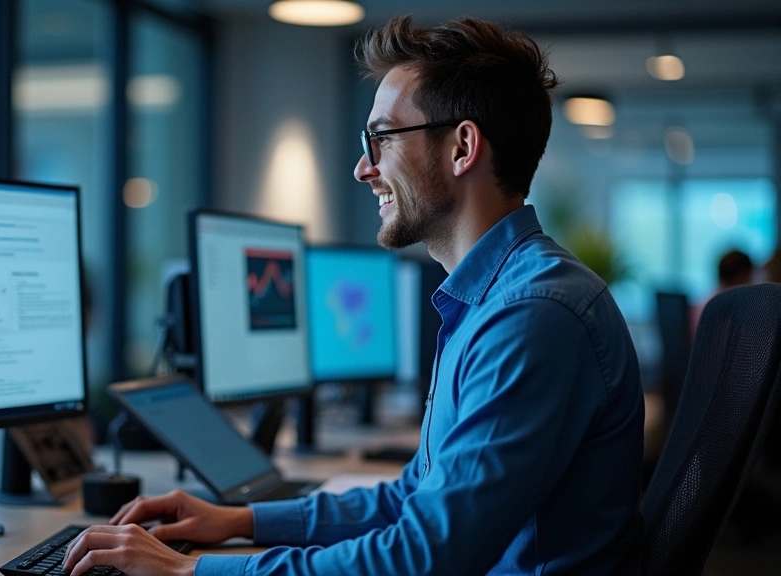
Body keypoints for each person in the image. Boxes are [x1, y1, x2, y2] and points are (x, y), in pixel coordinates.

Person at [61, 15, 644, 576]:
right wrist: (239, 519)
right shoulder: (493, 301)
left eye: (381, 138)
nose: (363, 168)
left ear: (462, 148)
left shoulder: (531, 316)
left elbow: (425, 556)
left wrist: (192, 570)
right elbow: (412, 499)